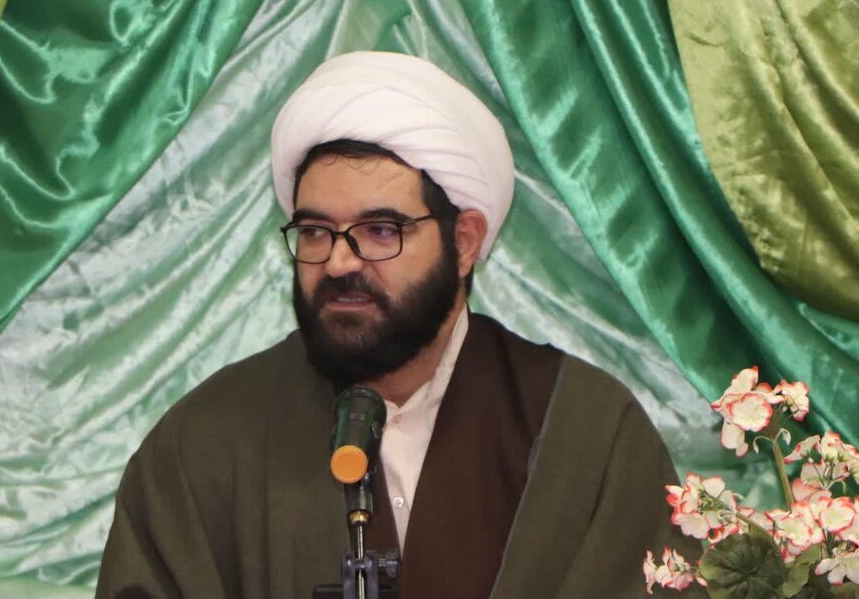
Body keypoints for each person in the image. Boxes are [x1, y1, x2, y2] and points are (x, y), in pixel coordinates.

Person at [96, 51, 700, 599]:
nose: (339, 262)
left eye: (380, 231)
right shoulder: (204, 443)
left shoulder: (586, 433)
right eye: (315, 232)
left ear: (464, 242)